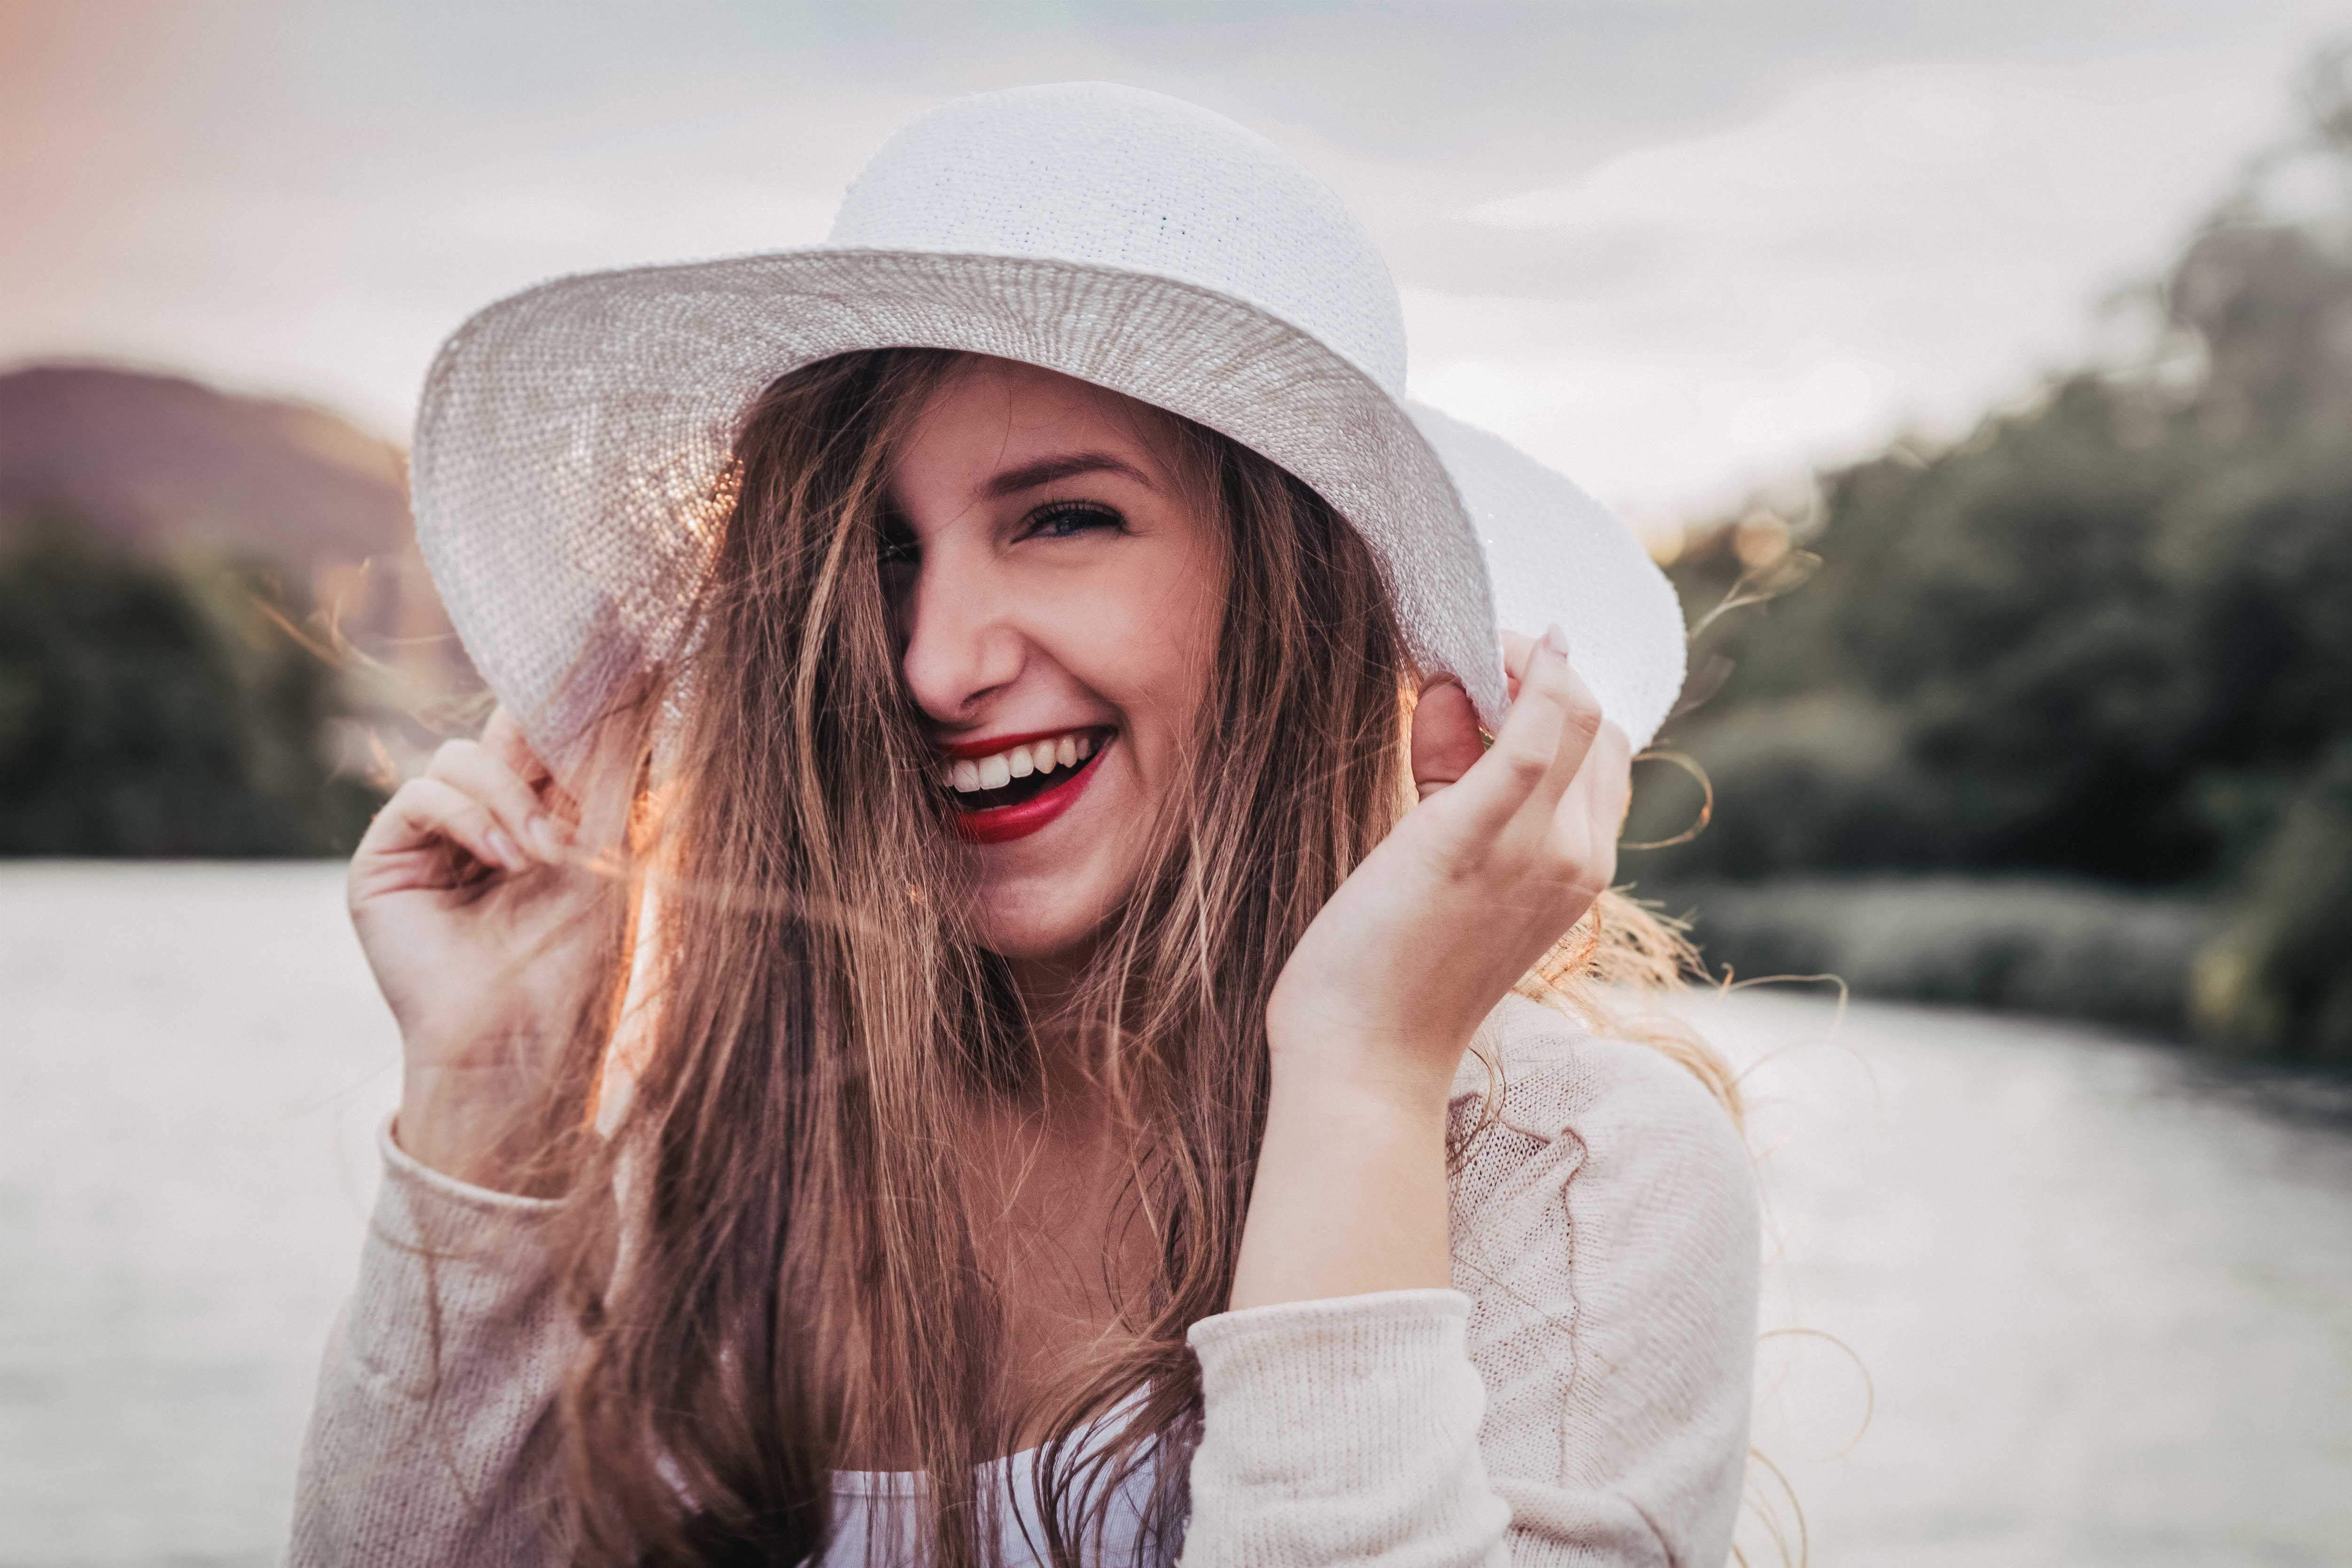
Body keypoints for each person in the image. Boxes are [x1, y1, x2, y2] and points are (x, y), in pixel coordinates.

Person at [290, 83, 1759, 1568]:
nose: (936, 664)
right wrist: (490, 1100)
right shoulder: (732, 1150)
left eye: (1062, 519)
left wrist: (1364, 1081)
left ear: (1304, 595)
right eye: (879, 549)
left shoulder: (1571, 1173)